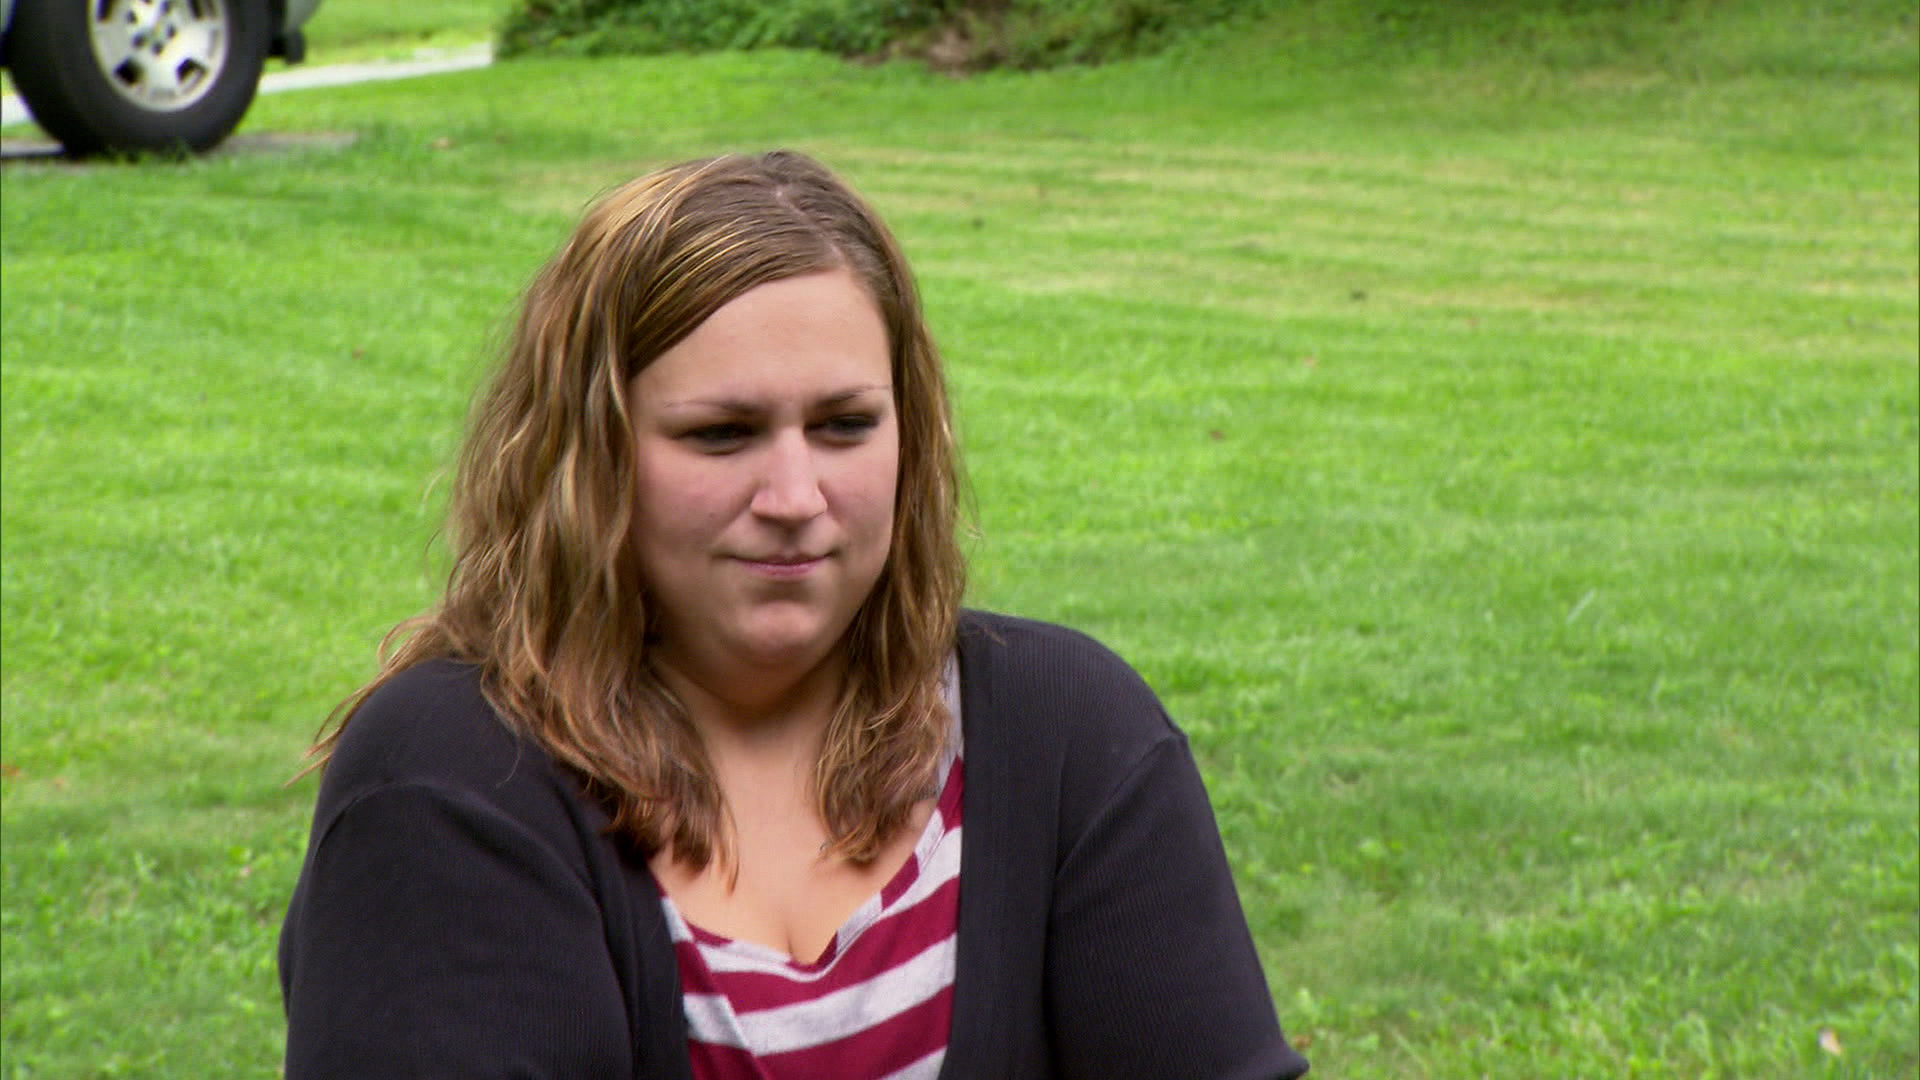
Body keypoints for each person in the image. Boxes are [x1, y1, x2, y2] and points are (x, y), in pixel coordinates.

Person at [278, 149, 1309, 1080]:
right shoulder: (452, 777)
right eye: (722, 434)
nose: (795, 496)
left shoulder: (1069, 734)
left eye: (844, 425)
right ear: (588, 457)